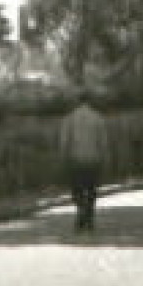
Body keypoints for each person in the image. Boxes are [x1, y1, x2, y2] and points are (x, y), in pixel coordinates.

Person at [59, 89, 110, 233]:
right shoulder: (98, 118)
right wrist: (106, 158)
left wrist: (63, 159)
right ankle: (89, 218)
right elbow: (103, 142)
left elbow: (64, 142)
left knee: (77, 189)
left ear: (77, 101)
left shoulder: (69, 119)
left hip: (76, 159)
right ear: (89, 101)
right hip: (93, 159)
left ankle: (81, 210)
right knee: (92, 190)